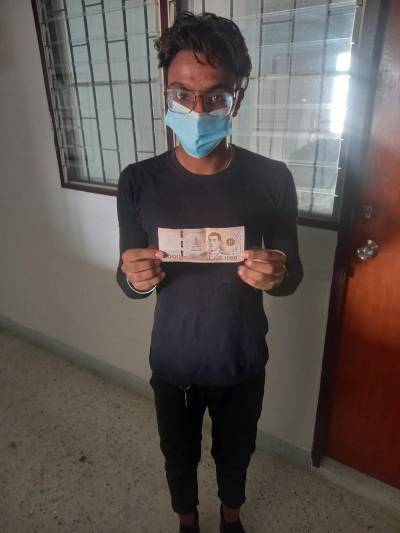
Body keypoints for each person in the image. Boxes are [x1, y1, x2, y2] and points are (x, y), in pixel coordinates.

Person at [116, 12, 303, 533]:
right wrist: (135, 278)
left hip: (242, 357)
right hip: (173, 360)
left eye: (215, 96)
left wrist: (277, 274)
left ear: (237, 98)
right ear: (166, 93)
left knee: (236, 453)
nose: (197, 111)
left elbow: (292, 276)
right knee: (178, 455)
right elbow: (127, 278)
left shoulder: (272, 179)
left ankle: (230, 517)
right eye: (182, 94)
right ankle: (187, 521)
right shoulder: (137, 182)